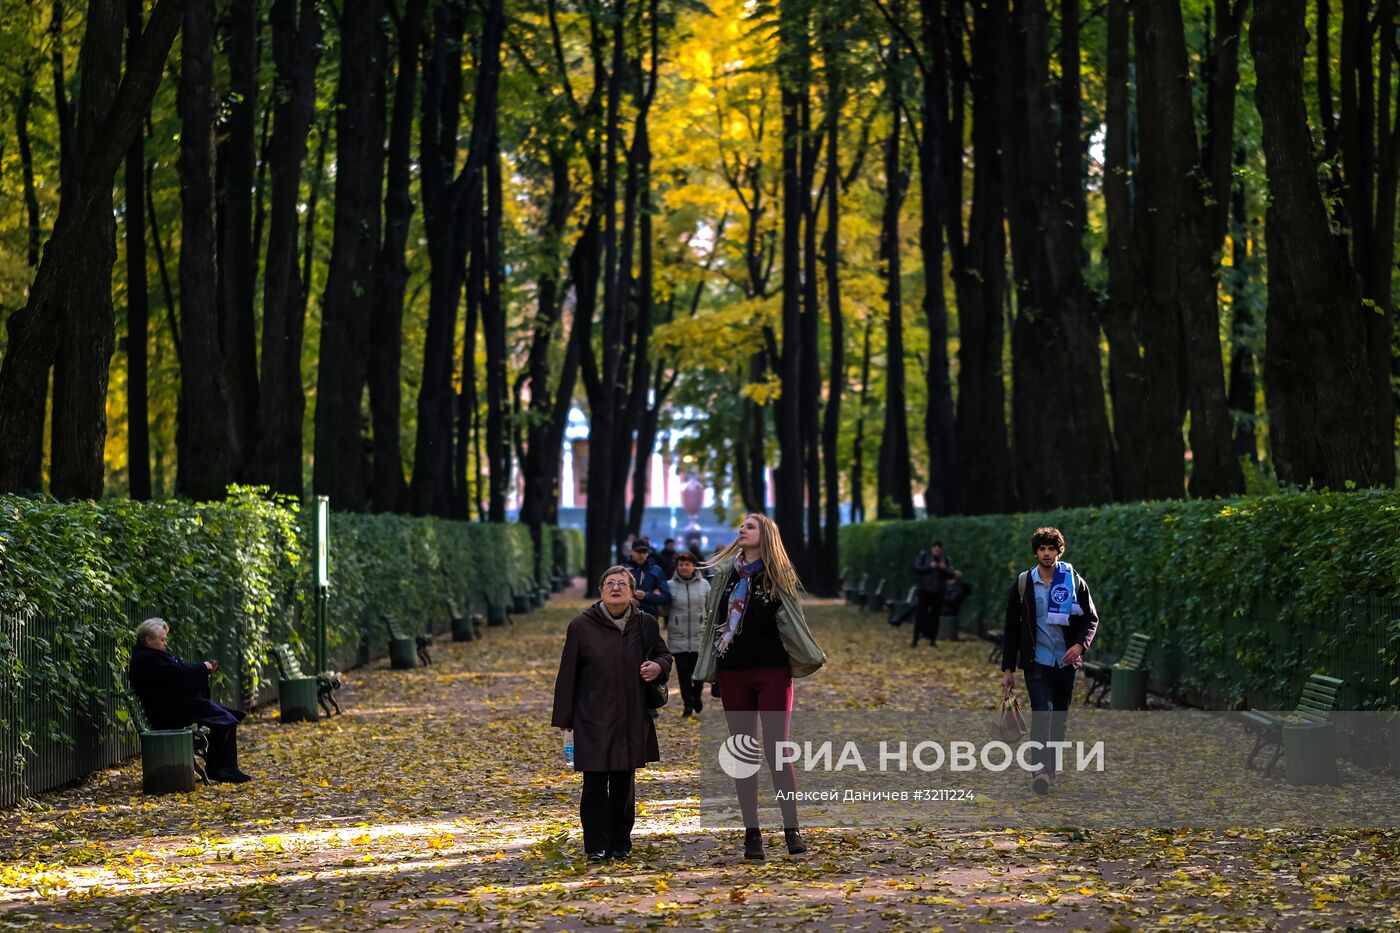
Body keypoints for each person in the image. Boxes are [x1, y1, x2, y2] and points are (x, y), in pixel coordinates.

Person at [694, 514, 827, 861]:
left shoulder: (777, 577)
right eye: (741, 526)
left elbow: (794, 625)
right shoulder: (724, 576)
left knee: (777, 751)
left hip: (772, 673)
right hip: (734, 673)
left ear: (765, 534)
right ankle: (752, 833)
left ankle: (791, 827)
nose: (742, 529)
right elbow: (712, 623)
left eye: (749, 526)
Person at [552, 566, 674, 861]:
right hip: (591, 716)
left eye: (622, 584)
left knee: (623, 782)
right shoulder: (581, 625)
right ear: (601, 590)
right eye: (610, 583)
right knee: (594, 783)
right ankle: (596, 845)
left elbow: (663, 654)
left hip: (630, 715)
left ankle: (620, 843)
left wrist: (659, 667)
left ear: (633, 593)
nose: (616, 587)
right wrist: (565, 720)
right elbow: (567, 674)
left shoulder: (644, 623)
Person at [1000, 527, 1099, 796]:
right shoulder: (1023, 584)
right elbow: (1011, 628)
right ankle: (1039, 771)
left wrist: (1079, 645)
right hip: (1038, 661)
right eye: (1042, 549)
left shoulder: (1073, 580)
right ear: (1036, 552)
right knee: (1043, 712)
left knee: (1059, 719)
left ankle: (1051, 770)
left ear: (1058, 551)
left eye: (1051, 549)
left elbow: (1090, 619)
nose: (1046, 553)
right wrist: (1007, 668)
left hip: (1065, 663)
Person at [127, 617, 251, 783]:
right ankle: (218, 769)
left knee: (228, 717)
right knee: (224, 720)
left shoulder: (150, 655)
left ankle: (228, 768)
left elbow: (176, 672)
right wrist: (202, 668)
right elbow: (175, 674)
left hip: (174, 706)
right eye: (162, 639)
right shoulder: (145, 659)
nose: (165, 643)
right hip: (169, 712)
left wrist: (203, 669)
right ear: (149, 640)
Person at [666, 550, 710, 718]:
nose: (684, 567)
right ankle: (687, 704)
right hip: (679, 635)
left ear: (694, 566)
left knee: (698, 674)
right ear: (677, 567)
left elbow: (710, 608)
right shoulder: (669, 585)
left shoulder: (705, 585)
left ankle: (697, 696)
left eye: (687, 564)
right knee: (683, 675)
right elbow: (664, 609)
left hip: (700, 634)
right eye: (681, 564)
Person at [909, 541, 960, 648]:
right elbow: (916, 568)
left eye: (939, 549)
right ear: (932, 548)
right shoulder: (924, 557)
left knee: (935, 616)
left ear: (941, 550)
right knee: (920, 614)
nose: (937, 550)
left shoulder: (945, 559)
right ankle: (915, 638)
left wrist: (943, 568)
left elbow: (952, 574)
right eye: (935, 548)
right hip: (925, 589)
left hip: (938, 591)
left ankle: (932, 639)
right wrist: (929, 567)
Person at [623, 538, 672, 621]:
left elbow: (666, 597)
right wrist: (627, 600)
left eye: (644, 552)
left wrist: (647, 596)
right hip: (626, 618)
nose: (641, 555)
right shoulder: (622, 570)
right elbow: (612, 594)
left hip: (650, 618)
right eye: (638, 551)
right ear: (631, 551)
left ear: (648, 553)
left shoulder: (656, 570)